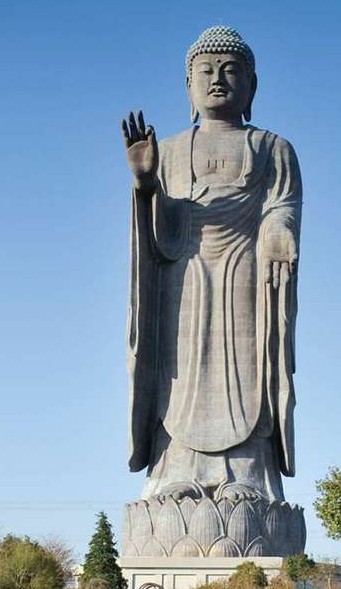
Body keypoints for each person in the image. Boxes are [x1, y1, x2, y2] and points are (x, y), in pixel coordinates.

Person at [121, 26, 301, 503]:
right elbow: (160, 234)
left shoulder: (273, 149)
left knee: (247, 370)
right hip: (184, 277)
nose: (217, 79)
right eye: (206, 71)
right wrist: (145, 184)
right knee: (178, 376)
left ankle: (249, 473)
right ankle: (174, 469)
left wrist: (279, 229)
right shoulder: (169, 150)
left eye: (230, 70)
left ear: (251, 86)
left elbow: (282, 205)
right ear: (189, 86)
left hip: (246, 273)